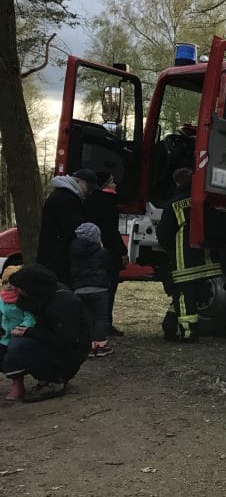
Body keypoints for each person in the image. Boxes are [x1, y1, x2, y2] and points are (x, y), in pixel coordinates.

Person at [1, 264, 90, 402]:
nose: (16, 292)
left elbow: (65, 339)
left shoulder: (63, 302)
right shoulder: (41, 295)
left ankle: (54, 379)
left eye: (19, 289)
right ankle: (32, 378)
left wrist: (30, 332)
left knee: (18, 346)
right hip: (51, 339)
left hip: (68, 350)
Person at [156, 168, 221, 342]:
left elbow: (164, 236)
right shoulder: (202, 201)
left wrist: (169, 252)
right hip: (205, 260)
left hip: (183, 261)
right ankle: (169, 325)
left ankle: (189, 333)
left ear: (176, 183)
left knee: (184, 297)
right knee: (190, 296)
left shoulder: (172, 205)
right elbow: (214, 225)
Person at [37, 169, 95, 285]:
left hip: (54, 256)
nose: (90, 192)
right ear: (79, 181)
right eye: (89, 187)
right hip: (59, 259)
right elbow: (75, 229)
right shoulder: (66, 199)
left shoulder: (62, 195)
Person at [87, 172, 127, 337]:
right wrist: (123, 252)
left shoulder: (88, 201)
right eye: (112, 182)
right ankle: (105, 323)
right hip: (109, 255)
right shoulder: (108, 203)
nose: (115, 184)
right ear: (105, 185)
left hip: (93, 254)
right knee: (109, 290)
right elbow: (111, 231)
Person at [70, 222, 114, 357]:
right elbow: (109, 267)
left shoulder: (73, 252)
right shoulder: (102, 252)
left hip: (79, 288)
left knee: (86, 318)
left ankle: (89, 345)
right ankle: (101, 344)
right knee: (100, 318)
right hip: (99, 288)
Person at [0, 265, 35, 389]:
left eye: (12, 282)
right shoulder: (1, 299)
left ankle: (18, 385)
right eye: (5, 282)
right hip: (4, 336)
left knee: (12, 357)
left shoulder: (24, 299)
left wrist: (23, 327)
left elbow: (30, 317)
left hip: (19, 334)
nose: (8, 285)